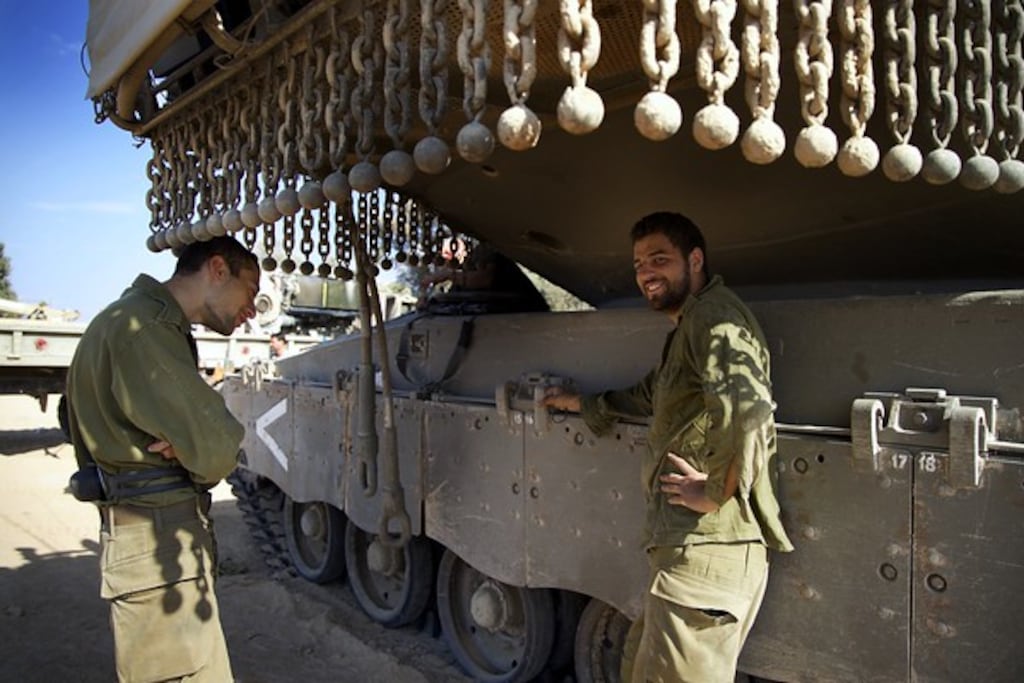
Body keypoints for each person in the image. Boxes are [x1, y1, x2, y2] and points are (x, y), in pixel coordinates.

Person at [544, 212, 793, 683]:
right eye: (639, 263)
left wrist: (716, 489)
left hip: (708, 548)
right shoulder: (690, 328)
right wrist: (576, 402)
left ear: (694, 260)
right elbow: (649, 396)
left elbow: (750, 410)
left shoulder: (713, 317)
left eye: (660, 259)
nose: (645, 273)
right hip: (688, 552)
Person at [65, 235, 259, 682]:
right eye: (250, 291)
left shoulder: (132, 320)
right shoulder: (144, 330)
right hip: (155, 546)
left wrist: (185, 438)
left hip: (153, 540)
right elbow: (217, 449)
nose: (251, 309)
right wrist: (195, 441)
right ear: (217, 269)